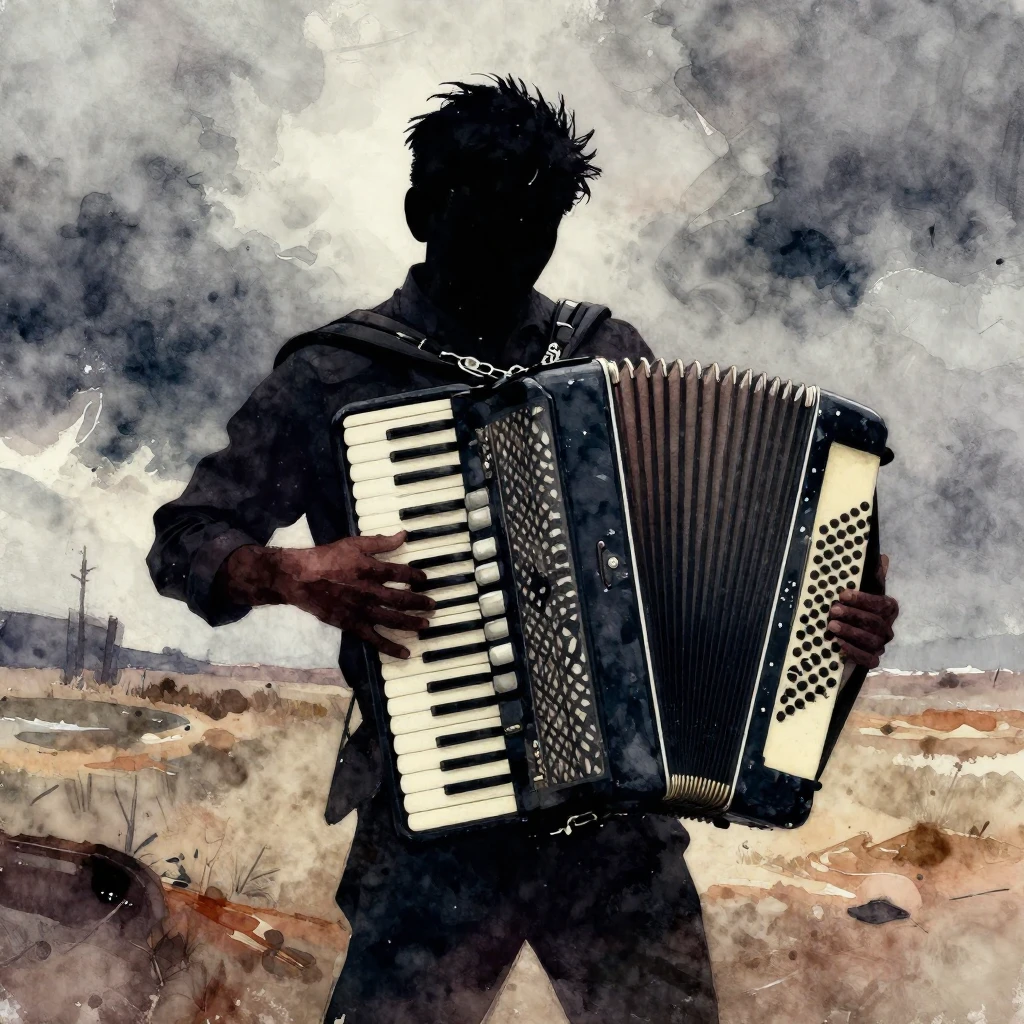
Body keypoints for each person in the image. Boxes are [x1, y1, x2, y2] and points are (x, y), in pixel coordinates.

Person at [147, 76, 900, 1024]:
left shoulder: (607, 348)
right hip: (435, 827)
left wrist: (830, 626)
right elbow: (184, 541)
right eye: (493, 213)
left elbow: (693, 562)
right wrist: (288, 573)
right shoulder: (333, 374)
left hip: (618, 840)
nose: (516, 244)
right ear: (423, 209)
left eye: (538, 221)